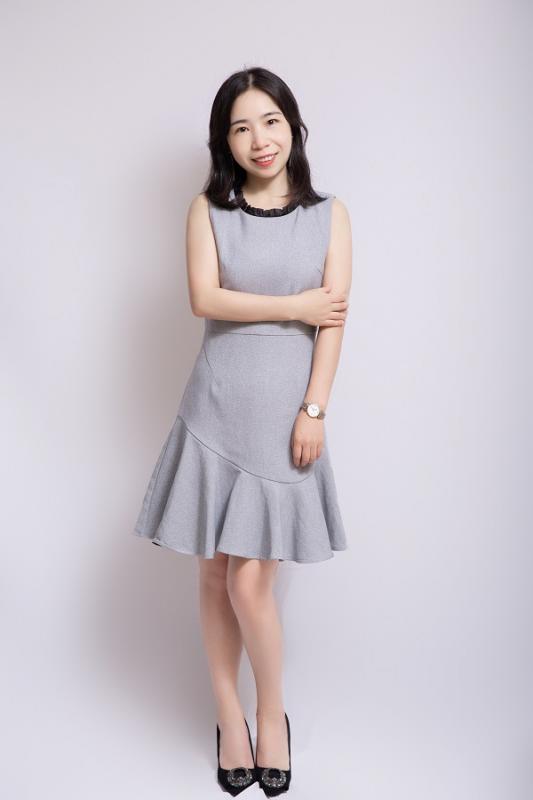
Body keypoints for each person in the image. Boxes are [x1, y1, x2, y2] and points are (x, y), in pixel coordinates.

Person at [132, 65, 352, 796]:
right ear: (223, 141)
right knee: (214, 572)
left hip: (284, 418)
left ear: (293, 126)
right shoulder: (207, 210)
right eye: (241, 126)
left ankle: (270, 713)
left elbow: (333, 324)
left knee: (251, 583)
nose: (259, 139)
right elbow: (205, 299)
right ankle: (230, 717)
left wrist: (314, 409)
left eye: (271, 121)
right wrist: (294, 305)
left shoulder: (330, 216)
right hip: (215, 408)